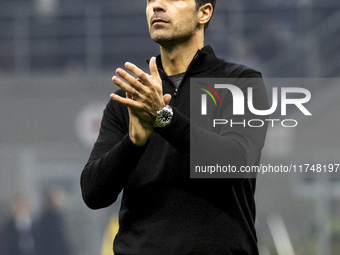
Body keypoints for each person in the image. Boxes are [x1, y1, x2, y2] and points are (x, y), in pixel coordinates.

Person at [81, 0, 268, 254]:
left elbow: (235, 164)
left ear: (204, 12)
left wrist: (163, 117)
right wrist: (133, 143)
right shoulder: (130, 98)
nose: (157, 5)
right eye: (150, 0)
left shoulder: (240, 82)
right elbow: (93, 193)